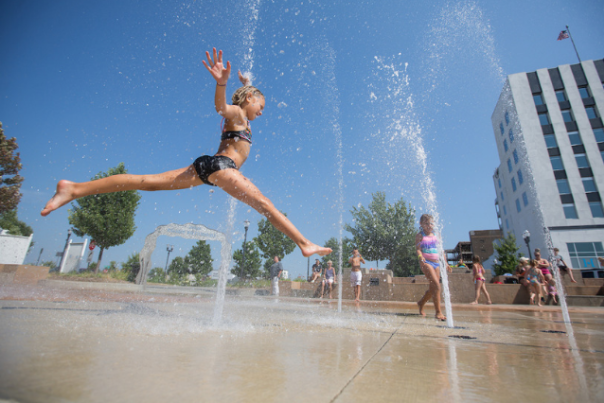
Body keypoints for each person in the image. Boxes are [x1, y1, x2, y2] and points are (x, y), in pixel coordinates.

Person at [40, 48, 332, 259]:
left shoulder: (241, 113)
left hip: (208, 167)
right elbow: (223, 107)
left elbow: (239, 102)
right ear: (250, 101)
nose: (262, 112)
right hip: (223, 167)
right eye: (261, 106)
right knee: (265, 204)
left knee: (146, 182)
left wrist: (245, 84)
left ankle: (74, 189)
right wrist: (222, 84)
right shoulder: (237, 116)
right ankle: (304, 243)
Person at [416, 214, 451, 321]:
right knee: (436, 284)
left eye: (431, 223)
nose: (429, 225)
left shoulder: (436, 234)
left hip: (437, 263)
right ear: (421, 224)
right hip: (426, 262)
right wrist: (420, 256)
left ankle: (421, 303)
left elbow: (441, 250)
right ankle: (438, 312)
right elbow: (418, 249)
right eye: (426, 223)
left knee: (433, 288)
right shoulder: (420, 235)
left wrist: (445, 263)